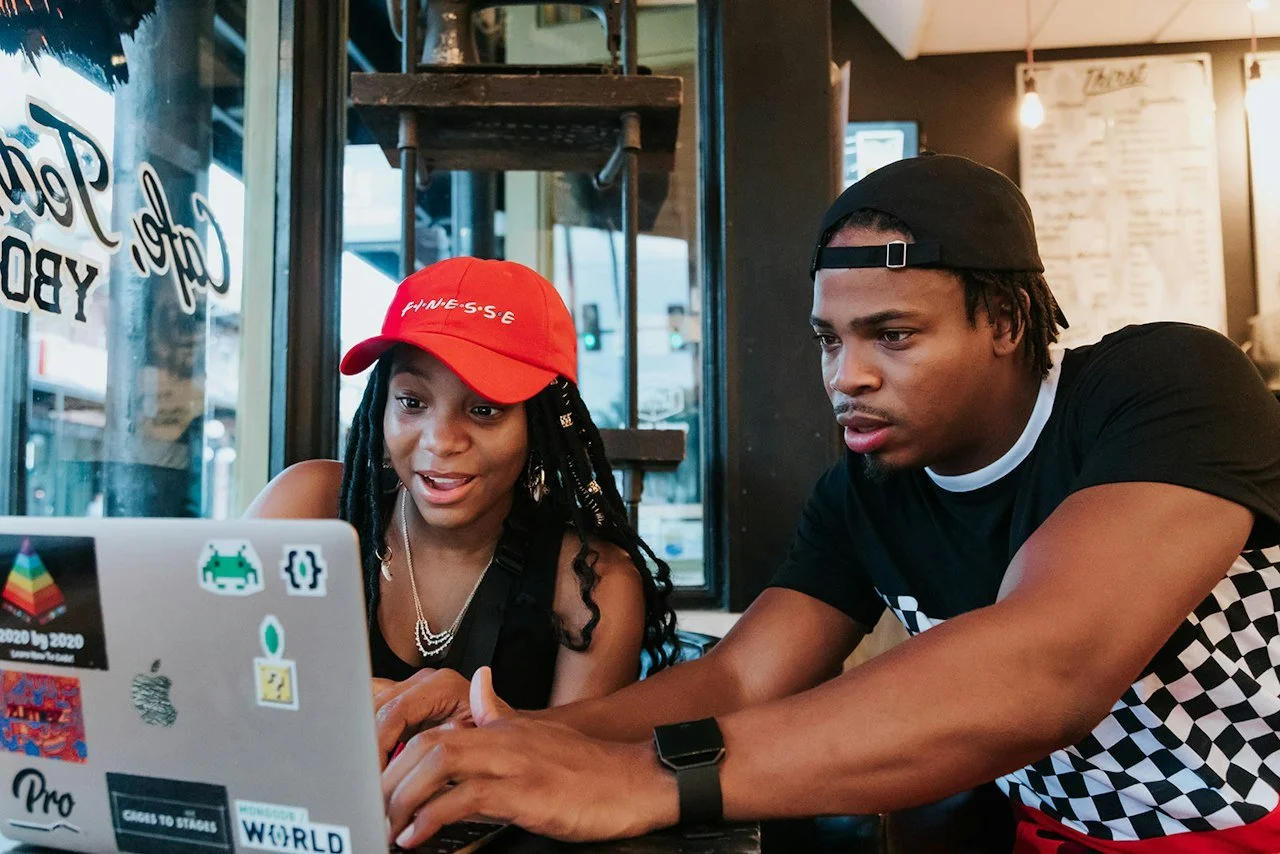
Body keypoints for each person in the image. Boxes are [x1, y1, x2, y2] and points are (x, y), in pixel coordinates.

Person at [375, 155, 1280, 853]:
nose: (847, 376)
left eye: (894, 335)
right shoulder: (865, 492)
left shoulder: (1161, 388)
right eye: (829, 340)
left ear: (1006, 322)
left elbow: (1050, 666)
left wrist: (644, 780)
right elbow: (740, 678)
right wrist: (523, 739)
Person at [247, 256, 678, 751]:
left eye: (484, 409)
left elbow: (571, 774)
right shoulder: (310, 508)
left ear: (538, 424)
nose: (441, 440)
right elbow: (212, 683)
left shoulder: (590, 585)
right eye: (412, 402)